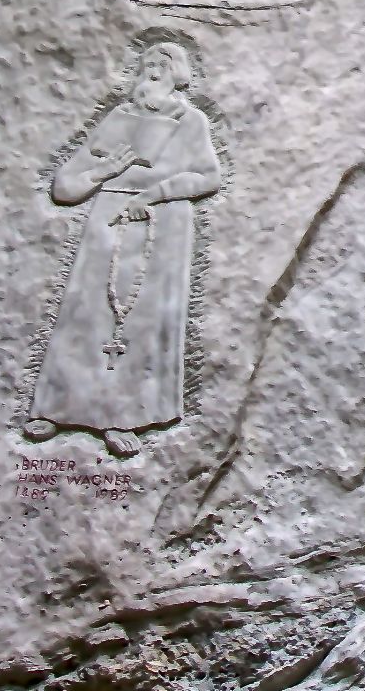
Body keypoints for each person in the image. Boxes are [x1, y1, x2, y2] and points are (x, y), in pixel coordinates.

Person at [24, 41, 221, 457]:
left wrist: (157, 193)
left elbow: (208, 177)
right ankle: (57, 407)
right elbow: (64, 186)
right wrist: (104, 170)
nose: (153, 71)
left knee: (145, 319)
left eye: (163, 66)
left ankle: (125, 415)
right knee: (85, 313)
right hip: (108, 216)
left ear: (179, 75)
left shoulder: (192, 121)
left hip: (162, 221)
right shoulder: (119, 117)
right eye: (147, 63)